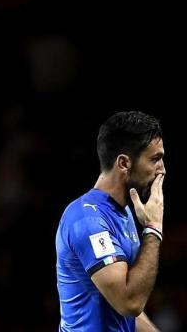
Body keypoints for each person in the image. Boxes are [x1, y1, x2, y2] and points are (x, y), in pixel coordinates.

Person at [55, 111, 165, 331]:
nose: (162, 169)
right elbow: (128, 303)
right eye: (155, 159)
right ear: (124, 163)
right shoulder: (87, 220)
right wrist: (153, 229)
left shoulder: (123, 213)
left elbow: (123, 314)